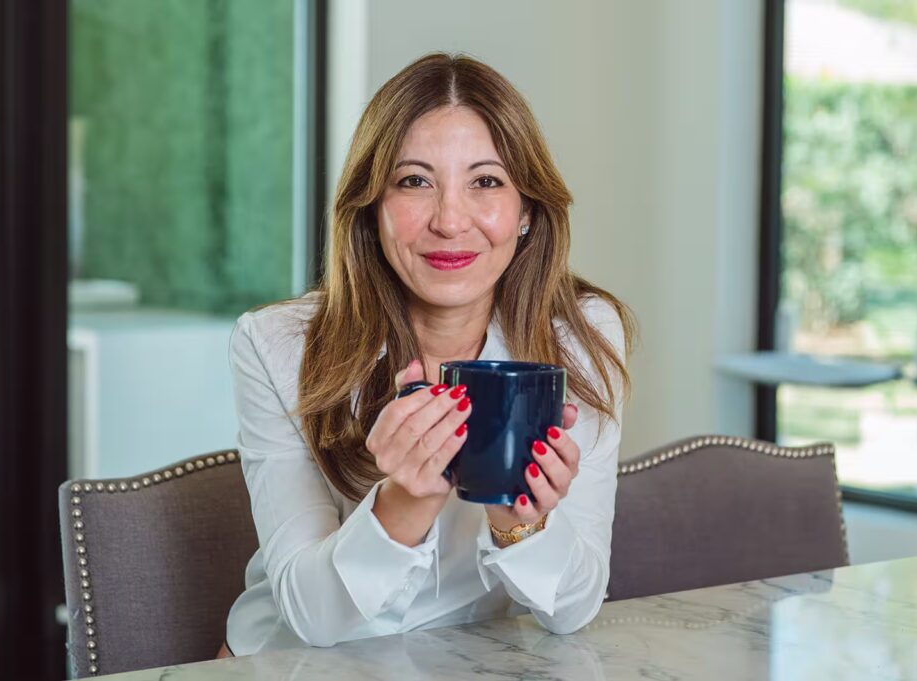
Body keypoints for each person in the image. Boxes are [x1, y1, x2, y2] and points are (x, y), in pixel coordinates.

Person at [217, 52, 636, 657]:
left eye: (486, 182)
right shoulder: (276, 344)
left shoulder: (582, 336)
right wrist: (404, 500)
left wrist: (520, 520)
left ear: (526, 212)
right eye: (414, 181)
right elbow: (310, 619)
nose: (449, 220)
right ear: (372, 207)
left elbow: (572, 610)